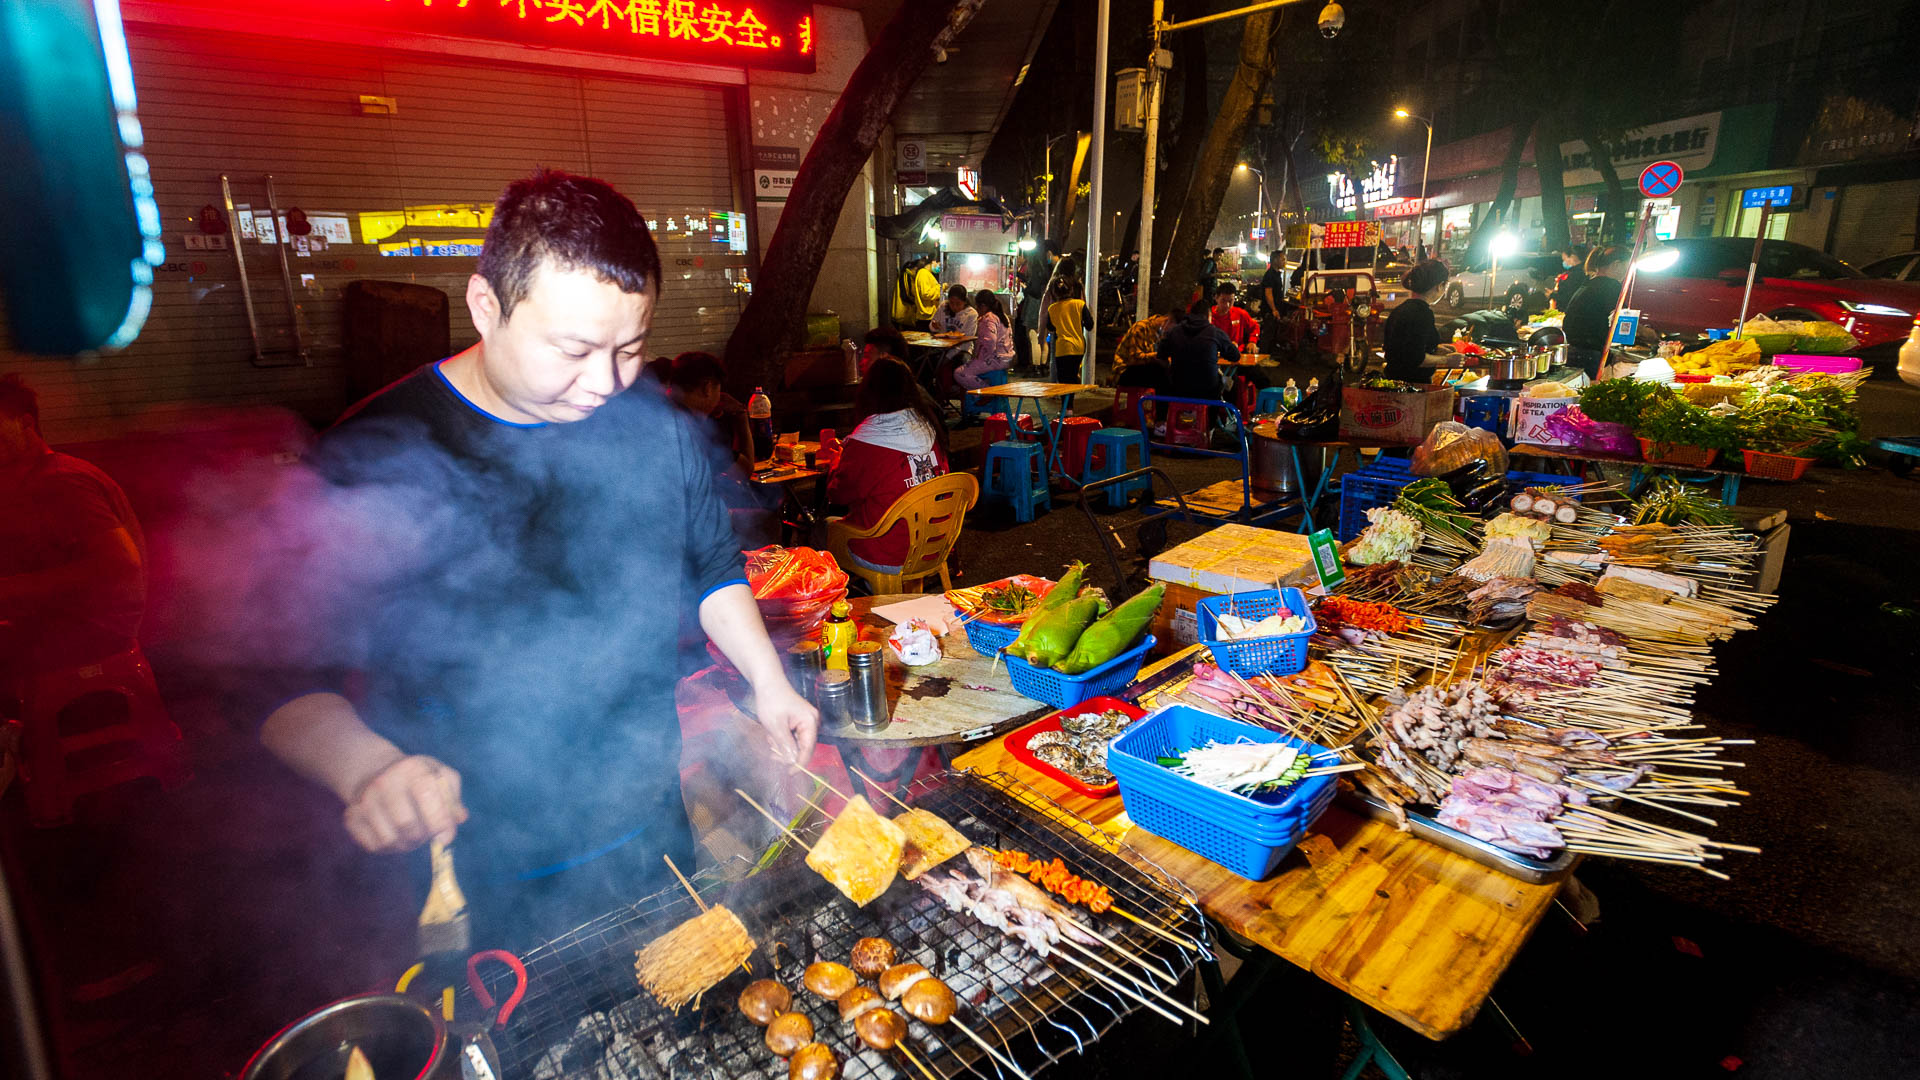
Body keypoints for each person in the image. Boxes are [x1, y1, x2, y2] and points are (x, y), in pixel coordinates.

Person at [256, 170, 817, 945]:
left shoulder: (654, 426)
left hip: (647, 826)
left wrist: (768, 681)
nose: (606, 382)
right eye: (574, 349)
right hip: (476, 863)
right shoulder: (376, 450)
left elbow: (712, 565)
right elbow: (280, 682)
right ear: (486, 306)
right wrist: (367, 768)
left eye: (630, 347)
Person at [0, 374, 146, 673]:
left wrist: (9, 588)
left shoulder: (63, 482)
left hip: (90, 634)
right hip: (58, 627)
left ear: (26, 424)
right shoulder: (30, 481)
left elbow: (120, 564)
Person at [826, 358, 950, 575]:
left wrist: (836, 464)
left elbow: (838, 496)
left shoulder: (868, 441)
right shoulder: (928, 428)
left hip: (887, 554)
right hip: (934, 546)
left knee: (825, 527)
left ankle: (840, 600)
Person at [667, 351, 753, 476]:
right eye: (719, 389)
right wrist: (741, 417)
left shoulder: (657, 411)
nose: (720, 396)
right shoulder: (697, 435)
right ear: (707, 388)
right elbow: (745, 470)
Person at [1382, 258, 1454, 383]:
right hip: (1412, 386)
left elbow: (1406, 346)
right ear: (1439, 286)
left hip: (1393, 381)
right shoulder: (1422, 313)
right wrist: (1447, 360)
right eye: (1445, 286)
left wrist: (1437, 348)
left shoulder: (1401, 309)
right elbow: (1416, 358)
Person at [1563, 246, 1629, 378]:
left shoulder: (1590, 283)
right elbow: (1623, 321)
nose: (1627, 272)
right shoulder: (1610, 285)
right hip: (1590, 356)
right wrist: (1646, 334)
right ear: (1616, 265)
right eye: (1626, 267)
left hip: (1573, 353)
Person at [1157, 298, 1239, 400]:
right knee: (1229, 382)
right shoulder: (1215, 332)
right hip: (1208, 390)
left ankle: (1165, 416)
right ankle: (1215, 416)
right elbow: (1235, 356)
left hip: (1178, 388)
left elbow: (1160, 356)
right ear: (1208, 315)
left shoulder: (1174, 331)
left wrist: (1171, 368)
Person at [955, 290, 1013, 391]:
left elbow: (990, 341)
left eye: (977, 306)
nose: (977, 309)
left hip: (994, 360)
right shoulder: (1002, 316)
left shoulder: (989, 319)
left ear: (983, 306)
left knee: (959, 373)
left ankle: (986, 390)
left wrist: (981, 357)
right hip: (1006, 358)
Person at [1114, 306, 1178, 394]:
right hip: (1124, 371)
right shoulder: (1140, 328)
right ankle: (1163, 406)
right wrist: (1156, 356)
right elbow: (1134, 358)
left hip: (1142, 369)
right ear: (1167, 321)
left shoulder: (1159, 333)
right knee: (1159, 373)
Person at [1039, 277, 1091, 383]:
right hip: (1079, 347)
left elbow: (1050, 327)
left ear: (1055, 292)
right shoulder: (1080, 304)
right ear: (1070, 290)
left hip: (1062, 348)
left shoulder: (1052, 308)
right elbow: (1090, 325)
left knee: (1063, 380)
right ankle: (1070, 399)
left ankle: (1066, 400)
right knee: (1073, 377)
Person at [930, 284, 978, 392]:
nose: (954, 307)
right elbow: (933, 325)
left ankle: (956, 390)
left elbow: (967, 341)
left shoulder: (971, 314)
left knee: (961, 361)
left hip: (962, 349)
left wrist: (948, 356)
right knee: (927, 359)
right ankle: (936, 393)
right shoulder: (943, 307)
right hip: (942, 346)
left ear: (965, 301)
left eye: (958, 304)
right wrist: (934, 326)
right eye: (952, 303)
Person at [1210, 283, 1259, 352]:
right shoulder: (1208, 316)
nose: (1227, 305)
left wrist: (1252, 341)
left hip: (1237, 353)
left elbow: (1255, 326)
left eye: (1230, 301)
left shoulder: (1240, 313)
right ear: (1216, 298)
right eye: (1223, 300)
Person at [1552, 244, 1589, 311]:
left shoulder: (1576, 274)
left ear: (1572, 257)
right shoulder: (1585, 270)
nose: (1564, 262)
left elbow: (1568, 296)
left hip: (1571, 310)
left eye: (1565, 259)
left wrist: (1553, 295)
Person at [890, 256, 922, 327]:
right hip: (903, 314)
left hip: (906, 315)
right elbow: (905, 295)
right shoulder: (906, 276)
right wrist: (917, 303)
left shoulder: (909, 277)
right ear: (915, 268)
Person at [912, 256, 942, 330]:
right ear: (933, 261)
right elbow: (926, 294)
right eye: (939, 265)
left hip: (929, 316)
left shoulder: (926, 273)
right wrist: (940, 288)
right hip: (926, 317)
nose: (939, 268)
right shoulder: (923, 273)